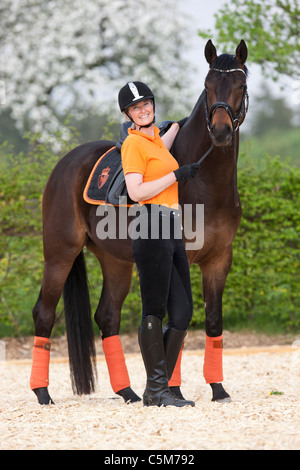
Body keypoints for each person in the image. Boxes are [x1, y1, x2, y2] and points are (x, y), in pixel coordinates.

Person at [119, 81, 199, 407]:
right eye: (136, 107)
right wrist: (177, 177)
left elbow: (163, 147)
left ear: (153, 104)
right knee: (155, 309)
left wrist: (179, 125)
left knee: (182, 312)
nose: (143, 109)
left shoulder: (154, 141)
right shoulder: (133, 145)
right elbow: (136, 191)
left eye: (147, 103)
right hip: (149, 223)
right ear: (128, 114)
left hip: (171, 224)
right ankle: (157, 389)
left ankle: (157, 389)